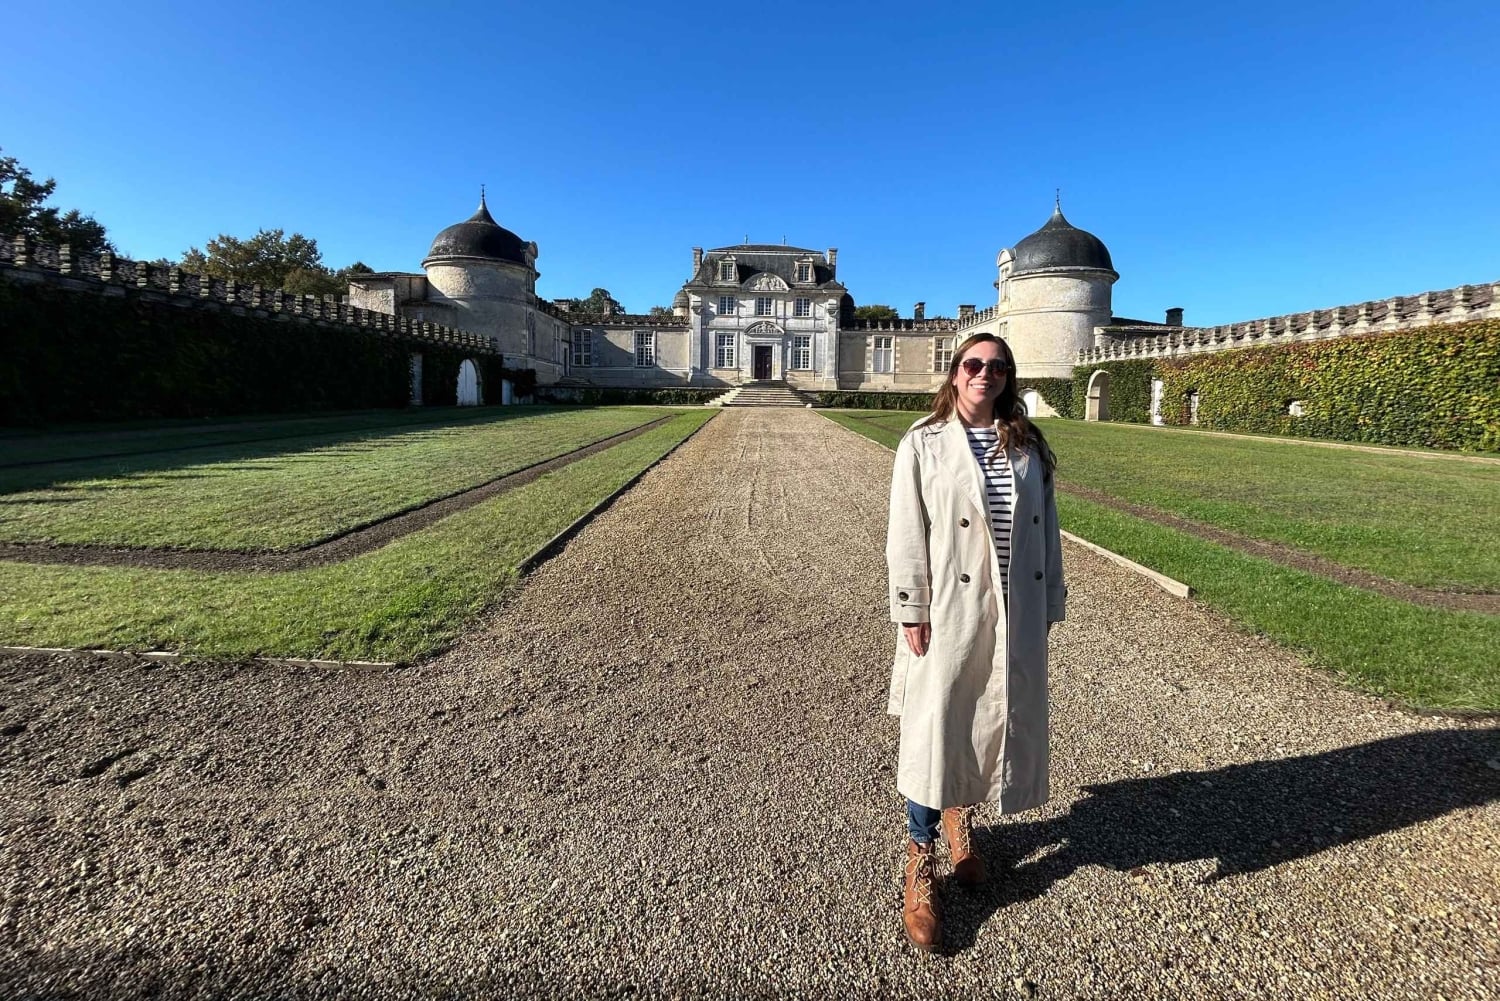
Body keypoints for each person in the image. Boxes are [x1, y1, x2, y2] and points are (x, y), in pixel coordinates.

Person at [885, 332, 1066, 952]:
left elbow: (1049, 535)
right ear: (955, 374)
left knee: (988, 720)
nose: (984, 374)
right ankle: (920, 858)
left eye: (997, 366)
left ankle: (962, 820)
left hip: (1013, 605)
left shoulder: (1028, 445)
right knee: (935, 727)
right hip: (950, 608)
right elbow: (905, 531)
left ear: (1008, 377)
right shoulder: (923, 442)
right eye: (973, 364)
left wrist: (1048, 603)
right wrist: (910, 608)